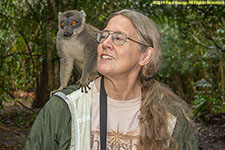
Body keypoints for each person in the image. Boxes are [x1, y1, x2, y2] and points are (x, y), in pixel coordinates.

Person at [23, 9, 198, 150]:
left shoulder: (172, 115)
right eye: (104, 36)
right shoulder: (64, 107)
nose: (105, 43)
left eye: (118, 38)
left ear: (145, 56)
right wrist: (64, 85)